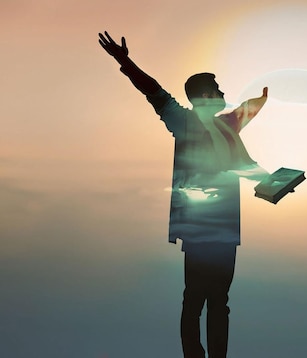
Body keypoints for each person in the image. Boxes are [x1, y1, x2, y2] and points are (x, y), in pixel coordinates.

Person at [99, 31, 268, 358]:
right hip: (199, 225)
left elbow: (245, 112)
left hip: (226, 228)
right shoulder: (183, 120)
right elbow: (153, 91)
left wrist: (262, 100)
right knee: (194, 298)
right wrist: (125, 61)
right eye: (217, 89)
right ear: (204, 95)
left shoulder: (226, 127)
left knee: (220, 300)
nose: (222, 93)